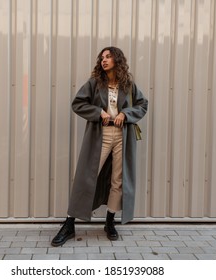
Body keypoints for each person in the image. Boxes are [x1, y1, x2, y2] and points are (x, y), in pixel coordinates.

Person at [51, 46, 148, 247]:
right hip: (100, 136)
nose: (104, 60)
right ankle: (69, 224)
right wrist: (98, 112)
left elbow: (142, 105)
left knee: (118, 180)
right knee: (86, 177)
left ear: (117, 60)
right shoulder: (95, 83)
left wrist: (125, 114)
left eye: (109, 56)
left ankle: (110, 222)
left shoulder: (128, 84)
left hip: (122, 136)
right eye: (102, 57)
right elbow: (78, 103)